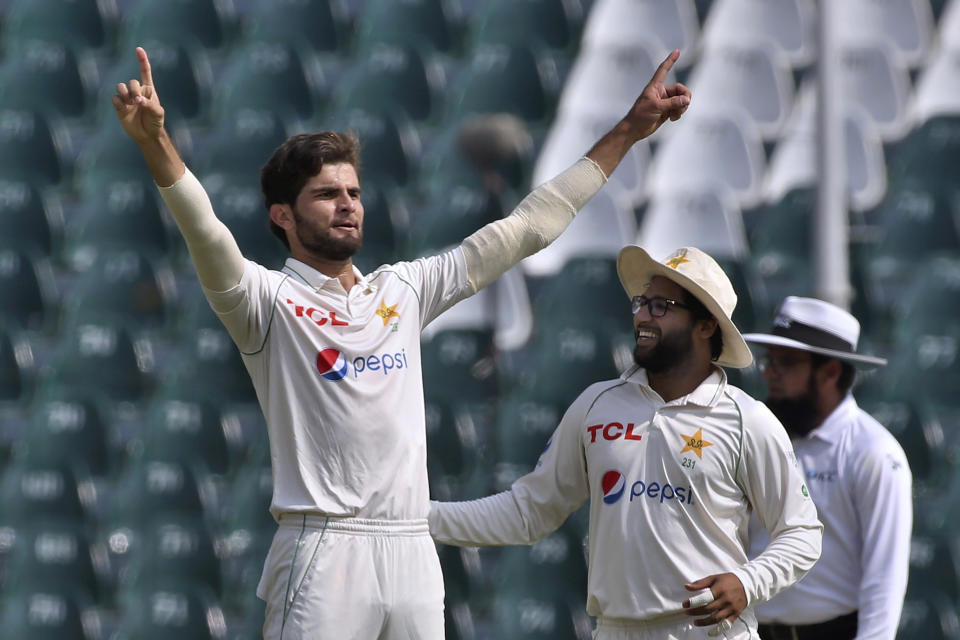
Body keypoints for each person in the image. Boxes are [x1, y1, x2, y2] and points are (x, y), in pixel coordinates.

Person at [112, 44, 693, 640]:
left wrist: (628, 130)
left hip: (412, 550)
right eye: (326, 194)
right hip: (324, 550)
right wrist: (156, 143)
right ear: (282, 216)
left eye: (354, 193)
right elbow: (206, 232)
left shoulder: (403, 290)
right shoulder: (264, 302)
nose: (346, 205)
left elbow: (528, 228)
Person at [429, 245, 823, 640]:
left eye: (661, 305)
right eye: (641, 302)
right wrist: (415, 518)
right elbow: (528, 512)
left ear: (705, 326)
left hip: (710, 632)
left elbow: (802, 532)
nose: (642, 316)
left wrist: (749, 582)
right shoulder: (596, 404)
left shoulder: (746, 419)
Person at [743, 297, 912, 640]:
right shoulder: (759, 436)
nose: (769, 373)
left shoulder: (874, 452)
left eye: (786, 362)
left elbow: (885, 577)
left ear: (831, 371)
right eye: (769, 360)